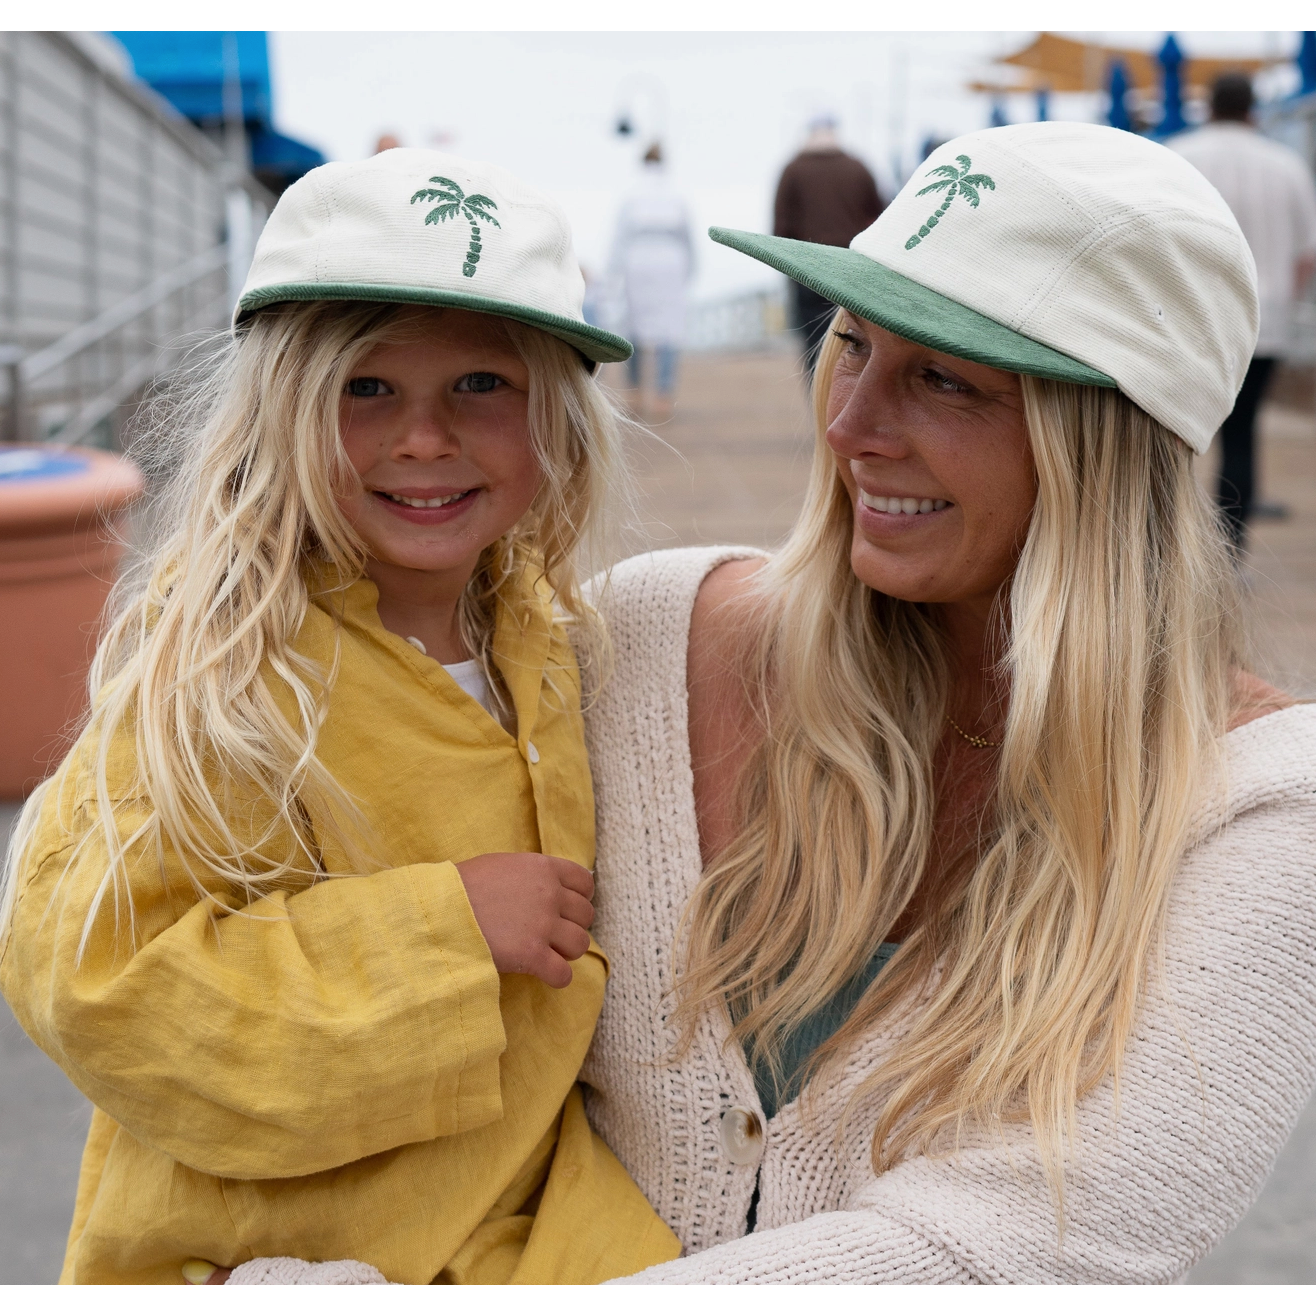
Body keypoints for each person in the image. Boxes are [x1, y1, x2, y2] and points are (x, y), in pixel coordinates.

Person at [579, 122, 1316, 1281]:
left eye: (940, 378)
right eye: (853, 346)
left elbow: (1005, 1250)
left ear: (1104, 444)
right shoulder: (643, 636)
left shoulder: (1263, 811)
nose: (848, 425)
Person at [0, 149, 680, 1285]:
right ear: (281, 412)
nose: (423, 437)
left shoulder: (548, 640)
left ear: (554, 420)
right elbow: (96, 981)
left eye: (480, 386)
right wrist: (446, 930)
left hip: (525, 1203)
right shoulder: (223, 667)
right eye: (366, 389)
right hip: (271, 1245)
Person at [1170, 71, 1316, 549]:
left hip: (1190, 325)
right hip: (1264, 326)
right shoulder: (1287, 165)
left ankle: (1166, 551)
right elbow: (1305, 256)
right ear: (1253, 108)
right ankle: (1230, 556)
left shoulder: (1182, 156)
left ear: (1208, 104)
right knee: (1241, 437)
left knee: (1168, 441)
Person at [773, 112, 884, 374]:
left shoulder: (792, 170)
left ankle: (819, 403)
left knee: (814, 343)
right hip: (852, 269)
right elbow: (880, 218)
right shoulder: (858, 167)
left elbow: (780, 228)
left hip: (807, 271)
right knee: (854, 340)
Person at [611, 143, 694, 422]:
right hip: (671, 260)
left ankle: (634, 392)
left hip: (638, 259)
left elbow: (619, 237)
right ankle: (663, 394)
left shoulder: (632, 193)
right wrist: (690, 270)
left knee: (633, 326)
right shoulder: (676, 193)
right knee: (670, 330)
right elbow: (688, 237)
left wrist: (613, 273)